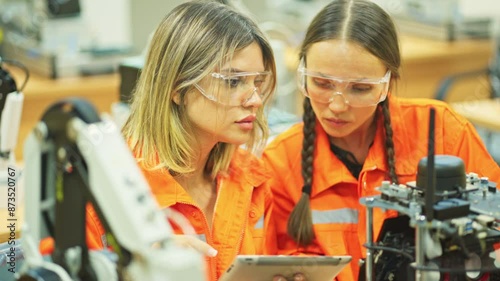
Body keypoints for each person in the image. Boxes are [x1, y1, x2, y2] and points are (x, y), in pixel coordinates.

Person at [39, 1, 308, 281]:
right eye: (233, 81)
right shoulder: (103, 188)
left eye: (257, 83)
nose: (254, 100)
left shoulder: (252, 178)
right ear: (177, 88)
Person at [261, 1, 500, 281]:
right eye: (322, 84)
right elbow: (276, 263)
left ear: (388, 83)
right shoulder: (280, 162)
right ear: (302, 74)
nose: (337, 106)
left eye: (360, 88)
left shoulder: (444, 134)